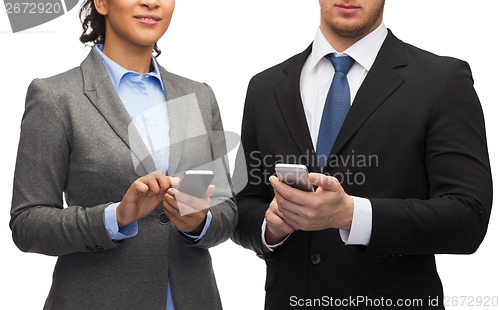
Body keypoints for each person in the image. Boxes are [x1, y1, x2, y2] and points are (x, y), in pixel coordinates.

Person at [232, 0, 493, 309]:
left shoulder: (442, 80)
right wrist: (270, 226)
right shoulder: (265, 86)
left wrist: (351, 215)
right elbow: (244, 204)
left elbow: (468, 218)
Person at [9, 0, 236, 309]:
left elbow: (226, 207)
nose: (152, 2)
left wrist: (199, 222)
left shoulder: (198, 95)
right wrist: (115, 217)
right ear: (101, 3)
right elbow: (27, 224)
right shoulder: (56, 96)